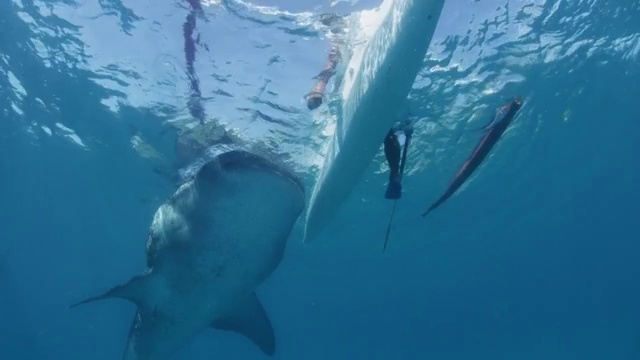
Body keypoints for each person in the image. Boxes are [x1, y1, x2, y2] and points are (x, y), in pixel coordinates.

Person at [383, 116, 416, 199]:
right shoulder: (395, 167)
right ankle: (393, 190)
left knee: (394, 168)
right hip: (390, 138)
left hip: (390, 138)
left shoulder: (394, 167)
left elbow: (391, 141)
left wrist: (407, 133)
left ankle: (393, 190)